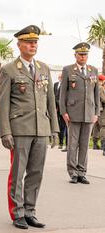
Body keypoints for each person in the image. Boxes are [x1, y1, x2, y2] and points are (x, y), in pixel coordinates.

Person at [0, 25, 59, 230]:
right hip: (20, 128)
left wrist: (54, 129)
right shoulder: (9, 69)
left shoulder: (43, 68)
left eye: (35, 42)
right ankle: (17, 213)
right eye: (29, 42)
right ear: (19, 44)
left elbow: (51, 100)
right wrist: (5, 131)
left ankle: (30, 211)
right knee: (17, 173)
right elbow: (4, 102)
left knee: (36, 172)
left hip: (41, 128)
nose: (33, 45)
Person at [59, 43, 100, 185]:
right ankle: (73, 172)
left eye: (85, 54)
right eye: (80, 54)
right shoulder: (68, 70)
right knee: (72, 144)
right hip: (73, 113)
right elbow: (63, 93)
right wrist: (63, 111)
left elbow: (96, 94)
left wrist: (97, 113)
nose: (83, 57)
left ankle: (82, 172)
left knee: (84, 145)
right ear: (75, 55)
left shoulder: (93, 70)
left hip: (89, 113)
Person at [54, 73, 68, 151]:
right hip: (57, 108)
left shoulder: (65, 85)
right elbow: (54, 95)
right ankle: (60, 142)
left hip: (64, 108)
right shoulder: (56, 84)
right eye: (59, 77)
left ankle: (66, 144)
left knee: (64, 126)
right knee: (59, 126)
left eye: (61, 77)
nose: (60, 78)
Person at [99, 74, 105, 156]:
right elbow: (103, 99)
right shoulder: (100, 88)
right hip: (102, 111)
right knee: (103, 128)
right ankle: (104, 147)